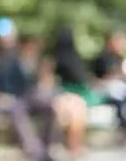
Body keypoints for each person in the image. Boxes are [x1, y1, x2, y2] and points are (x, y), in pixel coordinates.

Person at [0, 26, 56, 161]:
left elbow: (27, 83)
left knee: (48, 107)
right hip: (1, 101)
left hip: (22, 98)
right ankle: (36, 154)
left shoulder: (18, 58)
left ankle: (44, 149)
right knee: (16, 108)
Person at [49, 28, 100, 157]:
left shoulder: (58, 59)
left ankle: (74, 146)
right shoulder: (74, 58)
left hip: (70, 95)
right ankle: (75, 146)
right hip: (75, 96)